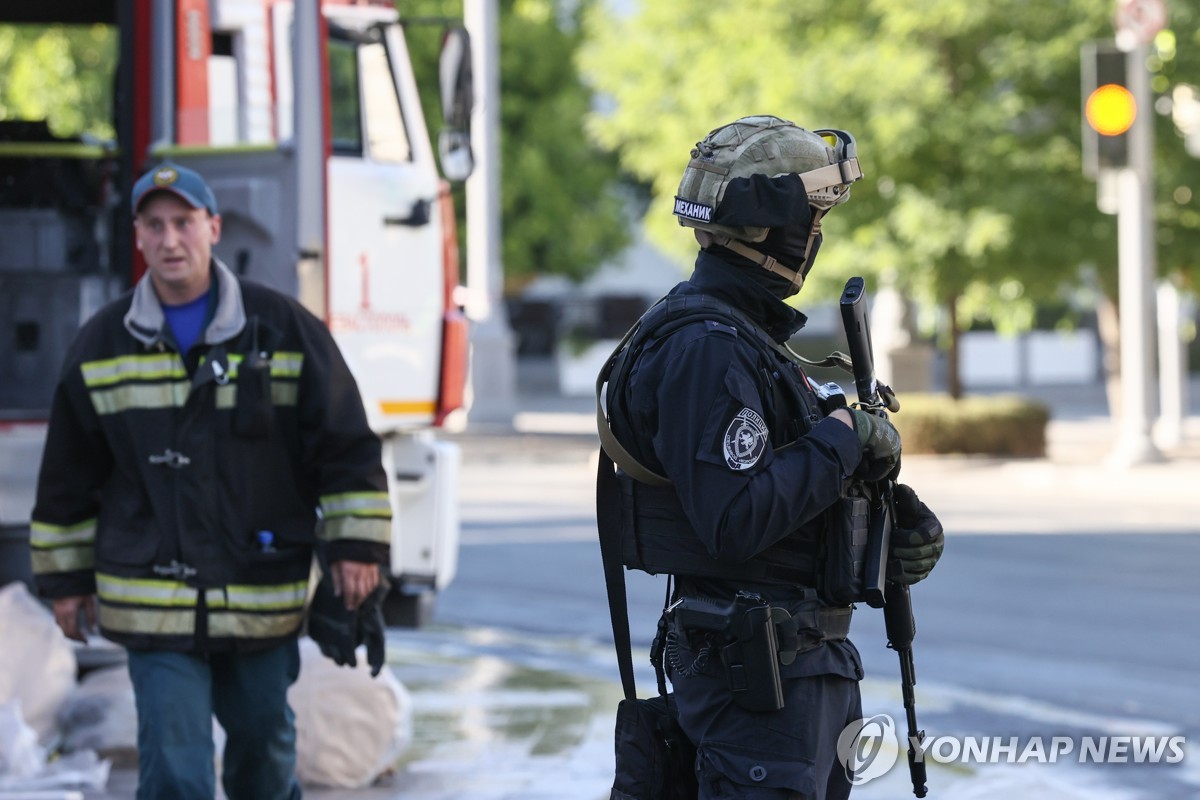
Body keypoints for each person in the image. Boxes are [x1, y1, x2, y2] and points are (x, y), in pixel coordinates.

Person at [601, 116, 945, 799]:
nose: (816, 236)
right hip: (758, 690)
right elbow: (735, 521)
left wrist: (884, 524)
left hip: (794, 679)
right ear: (766, 224)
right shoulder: (708, 349)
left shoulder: (744, 338)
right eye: (812, 216)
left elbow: (785, 493)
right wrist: (843, 436)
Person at [29, 162, 392, 800]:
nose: (171, 240)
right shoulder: (103, 344)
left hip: (259, 590)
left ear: (214, 228)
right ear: (136, 237)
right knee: (174, 769)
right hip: (150, 598)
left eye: (184, 223)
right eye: (155, 225)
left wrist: (357, 547)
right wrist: (65, 583)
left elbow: (343, 442)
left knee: (265, 751)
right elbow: (68, 474)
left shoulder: (281, 327)